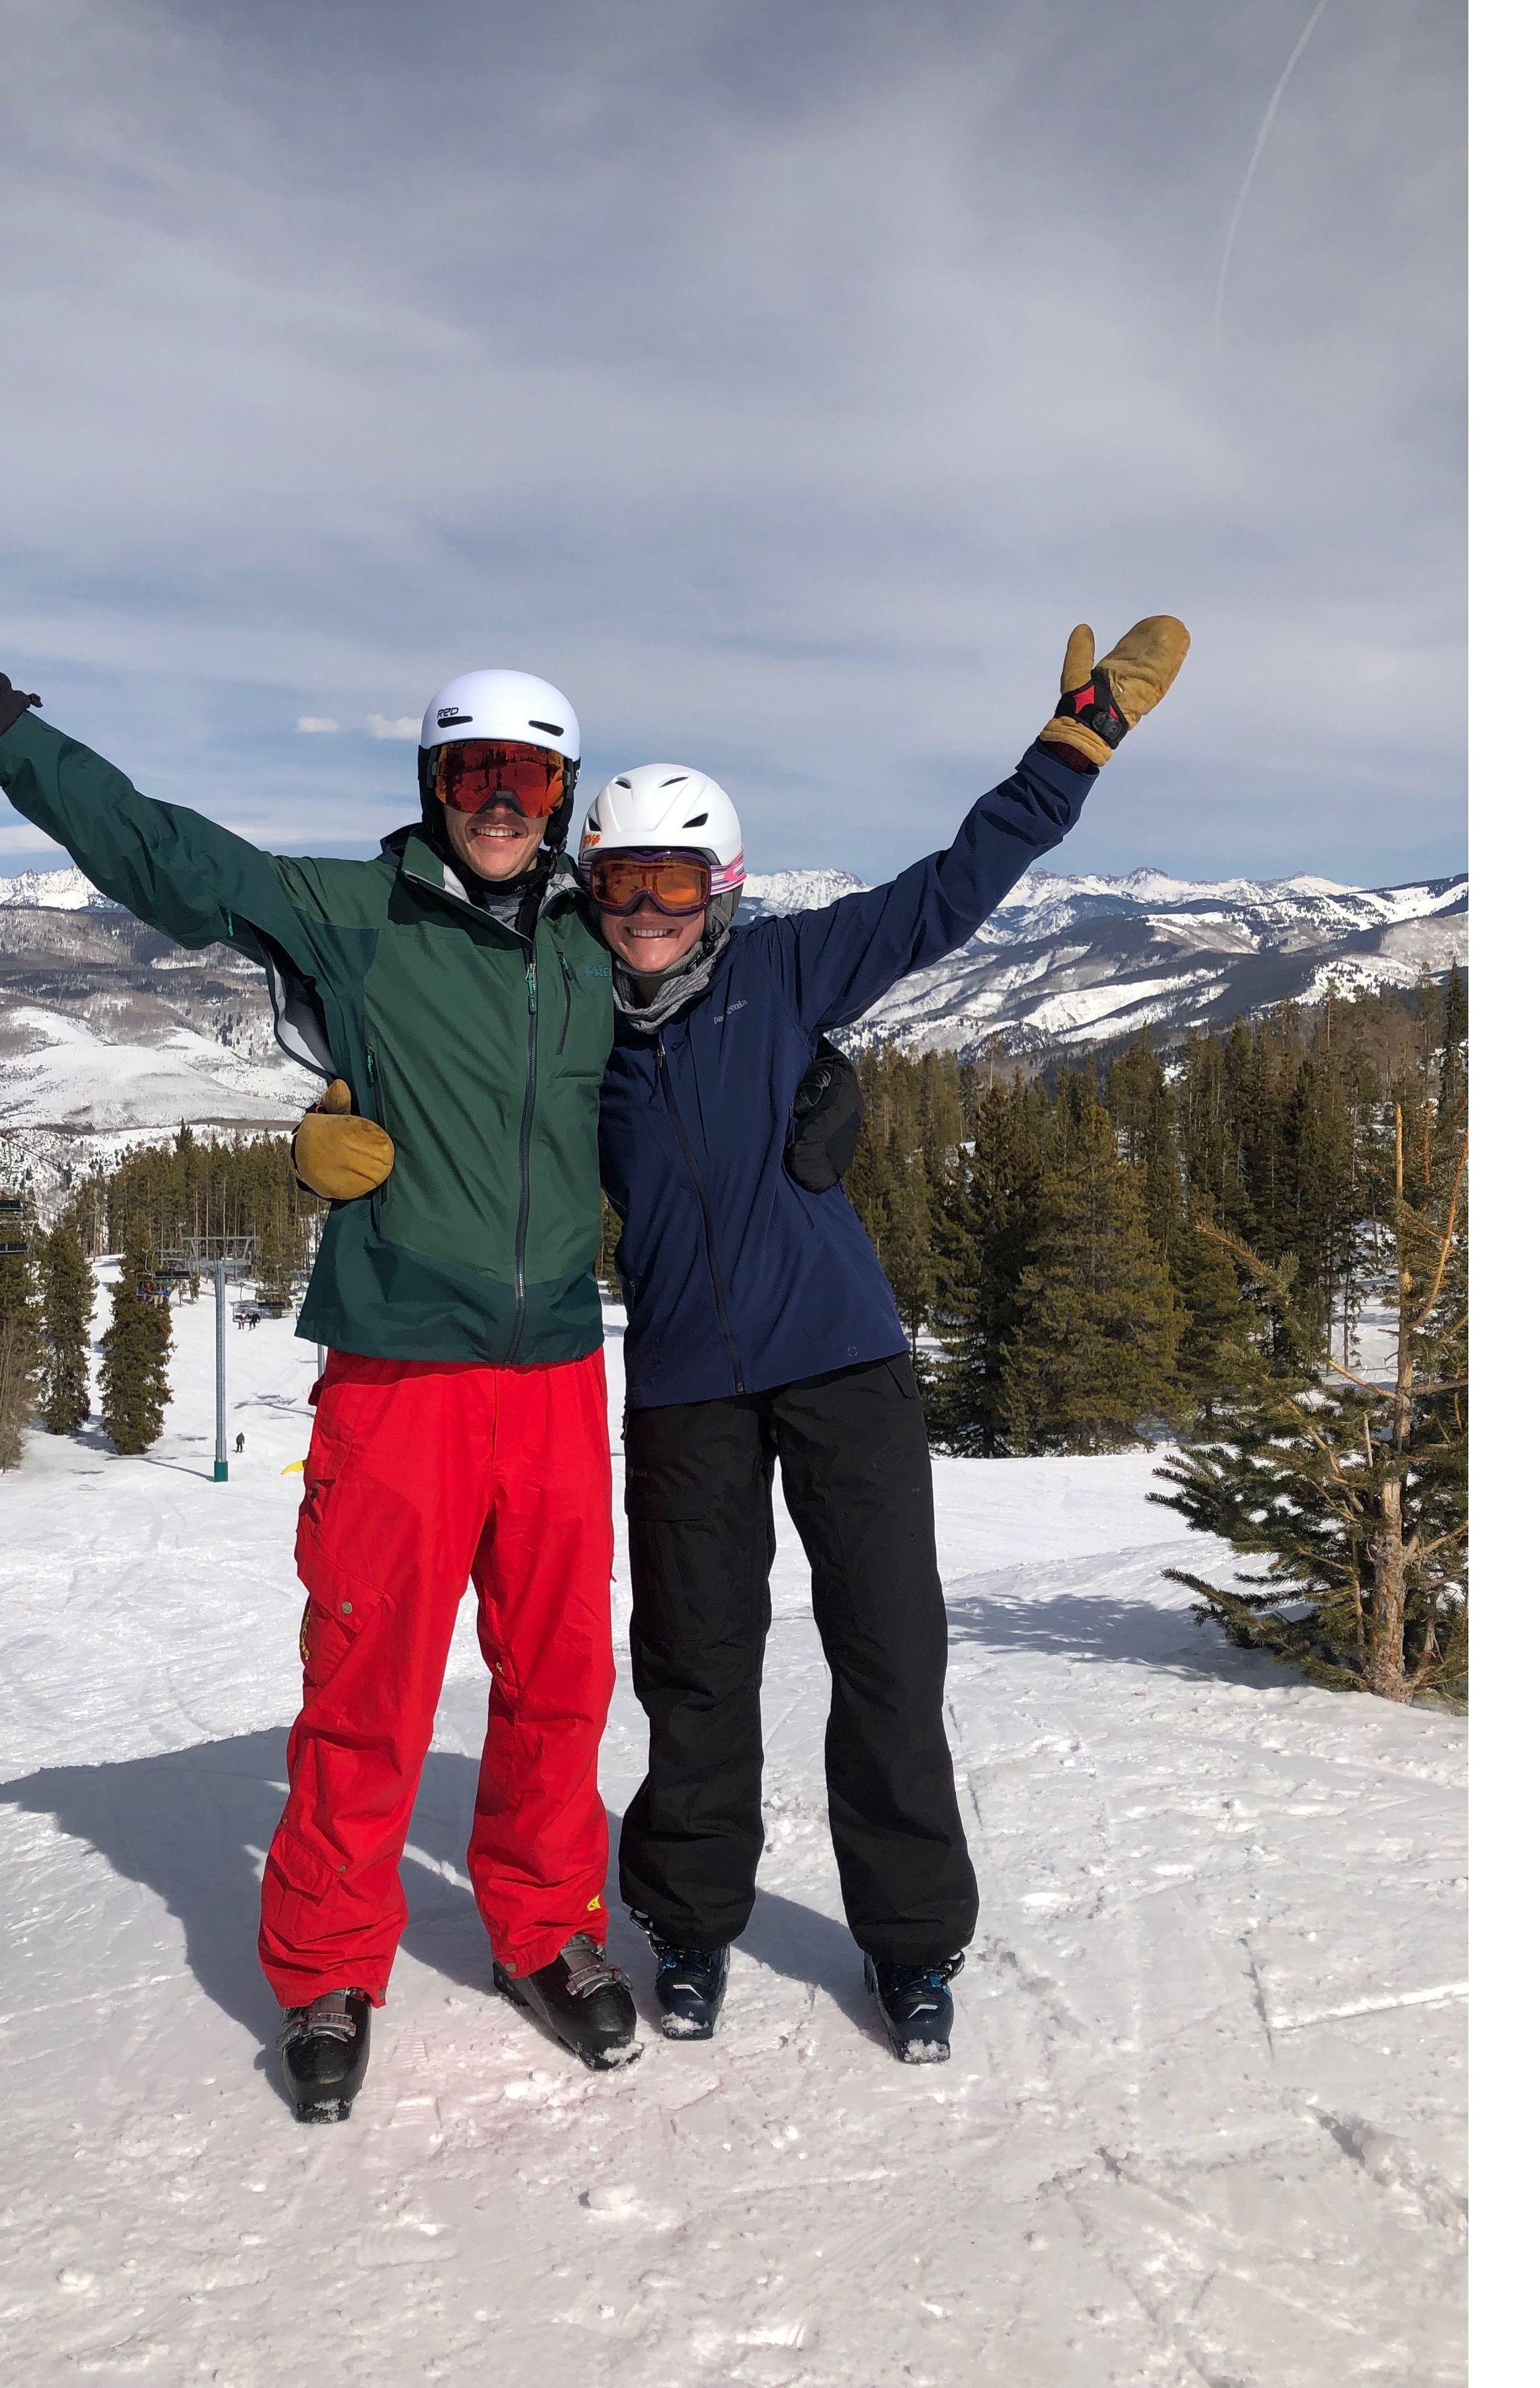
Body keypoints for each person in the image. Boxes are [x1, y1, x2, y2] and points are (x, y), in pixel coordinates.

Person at [0, 562, 643, 2121]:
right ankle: (329, 1964)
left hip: (553, 1375)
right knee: (369, 1680)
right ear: (433, 783)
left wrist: (819, 1097)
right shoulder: (355, 914)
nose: (501, 802)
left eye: (531, 779)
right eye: (476, 772)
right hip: (401, 1367)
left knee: (560, 1678)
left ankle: (547, 1928)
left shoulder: (596, 943)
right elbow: (164, 854)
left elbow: (720, 1024)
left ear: (563, 798)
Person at [579, 617, 1188, 2062]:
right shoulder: (567, 1028)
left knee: (889, 1656)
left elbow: (953, 888)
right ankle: (687, 1923)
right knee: (695, 1666)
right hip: (684, 1388)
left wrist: (1074, 745)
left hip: (842, 1361)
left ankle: (911, 1945)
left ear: (723, 890)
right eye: (621, 884)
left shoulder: (790, 969)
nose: (647, 911)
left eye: (675, 883)